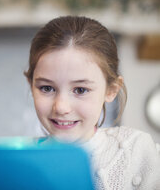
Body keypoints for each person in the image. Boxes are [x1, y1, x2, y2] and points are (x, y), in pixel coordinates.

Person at [24, 16, 160, 189]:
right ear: (31, 84)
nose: (61, 107)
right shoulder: (19, 160)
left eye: (80, 90)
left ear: (111, 90)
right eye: (47, 88)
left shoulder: (137, 151)